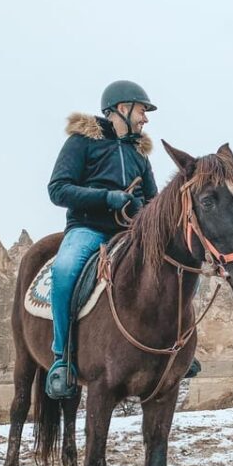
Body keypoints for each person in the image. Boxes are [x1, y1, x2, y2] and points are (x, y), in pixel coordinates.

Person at [45, 80, 158, 398]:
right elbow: (58, 189)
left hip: (130, 233)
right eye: (142, 111)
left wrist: (142, 208)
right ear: (122, 109)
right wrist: (106, 198)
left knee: (172, 266)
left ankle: (175, 347)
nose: (145, 119)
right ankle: (62, 358)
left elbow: (153, 201)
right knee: (63, 272)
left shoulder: (139, 155)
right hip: (88, 229)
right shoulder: (82, 142)